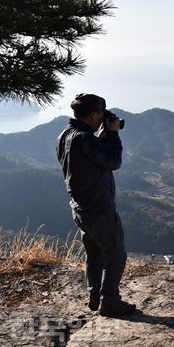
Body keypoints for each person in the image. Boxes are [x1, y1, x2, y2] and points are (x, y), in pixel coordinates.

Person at [56, 93, 136, 316]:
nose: (104, 117)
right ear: (93, 114)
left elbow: (87, 160)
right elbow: (113, 161)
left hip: (80, 207)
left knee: (94, 253)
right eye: (101, 113)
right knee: (116, 253)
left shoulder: (66, 135)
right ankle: (110, 301)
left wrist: (100, 137)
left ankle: (94, 295)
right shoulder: (85, 138)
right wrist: (112, 134)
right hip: (99, 208)